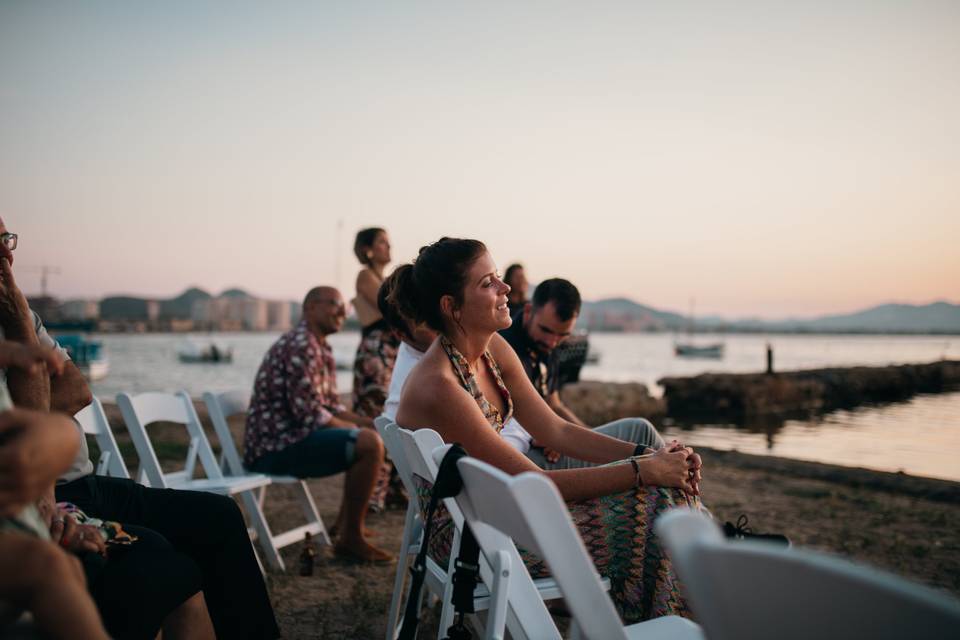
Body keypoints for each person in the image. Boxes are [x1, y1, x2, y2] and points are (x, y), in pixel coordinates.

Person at [395, 237, 703, 623]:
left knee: (660, 492)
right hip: (473, 539)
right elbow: (534, 482)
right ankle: (671, 618)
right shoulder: (440, 385)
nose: (506, 288)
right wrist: (644, 472)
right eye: (487, 282)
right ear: (451, 306)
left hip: (496, 514)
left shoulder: (491, 351)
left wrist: (645, 457)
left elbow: (558, 430)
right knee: (657, 505)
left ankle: (666, 617)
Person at [0, 217, 276, 639]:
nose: (6, 254)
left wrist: (22, 333)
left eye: (6, 239)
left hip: (85, 481)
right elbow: (29, 430)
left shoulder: (18, 312)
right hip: (46, 492)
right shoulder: (14, 316)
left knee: (218, 515)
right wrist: (29, 371)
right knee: (163, 561)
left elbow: (76, 390)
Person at [245, 286, 393, 563]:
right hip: (275, 448)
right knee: (368, 444)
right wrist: (363, 433)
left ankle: (346, 526)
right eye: (334, 304)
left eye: (344, 306)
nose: (342, 311)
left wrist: (369, 423)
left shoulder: (318, 345)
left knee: (370, 434)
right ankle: (350, 539)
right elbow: (311, 415)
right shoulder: (301, 345)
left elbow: (331, 405)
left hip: (291, 439)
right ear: (310, 308)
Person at [500, 277, 666, 467]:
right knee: (642, 432)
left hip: (548, 438)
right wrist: (545, 435)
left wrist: (588, 433)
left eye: (562, 335)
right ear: (529, 311)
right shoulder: (505, 348)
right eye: (546, 330)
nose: (552, 342)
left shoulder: (545, 347)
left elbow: (554, 405)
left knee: (641, 435)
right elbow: (507, 423)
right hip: (528, 456)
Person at [350, 227, 402, 511]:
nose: (388, 245)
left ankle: (387, 492)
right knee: (376, 417)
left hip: (389, 352)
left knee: (390, 415)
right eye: (382, 241)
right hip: (375, 353)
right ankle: (370, 497)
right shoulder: (366, 277)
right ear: (368, 249)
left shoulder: (382, 279)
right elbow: (389, 310)